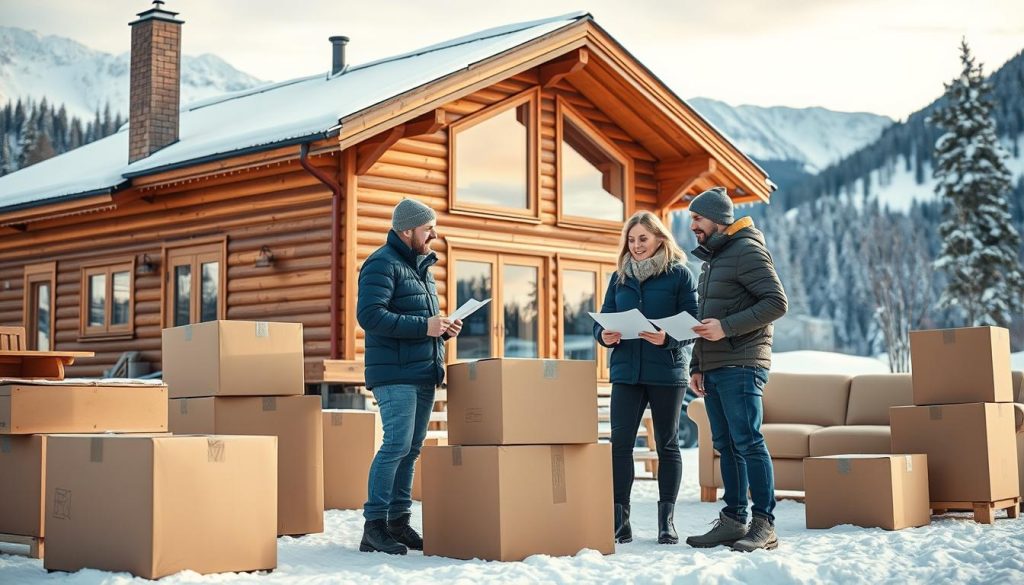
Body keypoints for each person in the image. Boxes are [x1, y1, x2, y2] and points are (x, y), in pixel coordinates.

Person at [683, 186, 788, 552]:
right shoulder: (713, 260)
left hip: (742, 362)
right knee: (726, 444)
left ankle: (764, 524)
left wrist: (726, 328)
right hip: (714, 365)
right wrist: (697, 365)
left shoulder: (746, 250)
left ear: (718, 219)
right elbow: (704, 320)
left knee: (748, 441)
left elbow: (777, 302)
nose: (692, 224)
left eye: (697, 218)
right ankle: (733, 520)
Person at [356, 197, 462, 555]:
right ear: (407, 230)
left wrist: (443, 328)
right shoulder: (380, 264)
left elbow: (420, 322)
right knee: (395, 446)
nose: (434, 234)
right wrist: (426, 326)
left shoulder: (421, 267)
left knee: (412, 449)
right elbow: (370, 316)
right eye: (428, 228)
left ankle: (398, 523)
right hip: (394, 374)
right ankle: (374, 526)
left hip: (421, 371)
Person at [593, 210, 698, 545]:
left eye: (643, 238)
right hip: (626, 369)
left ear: (659, 238)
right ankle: (618, 522)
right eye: (631, 239)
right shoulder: (619, 277)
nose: (636, 245)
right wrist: (603, 335)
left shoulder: (680, 275)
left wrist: (667, 337)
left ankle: (666, 523)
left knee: (667, 443)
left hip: (667, 369)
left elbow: (694, 322)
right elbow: (604, 318)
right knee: (619, 444)